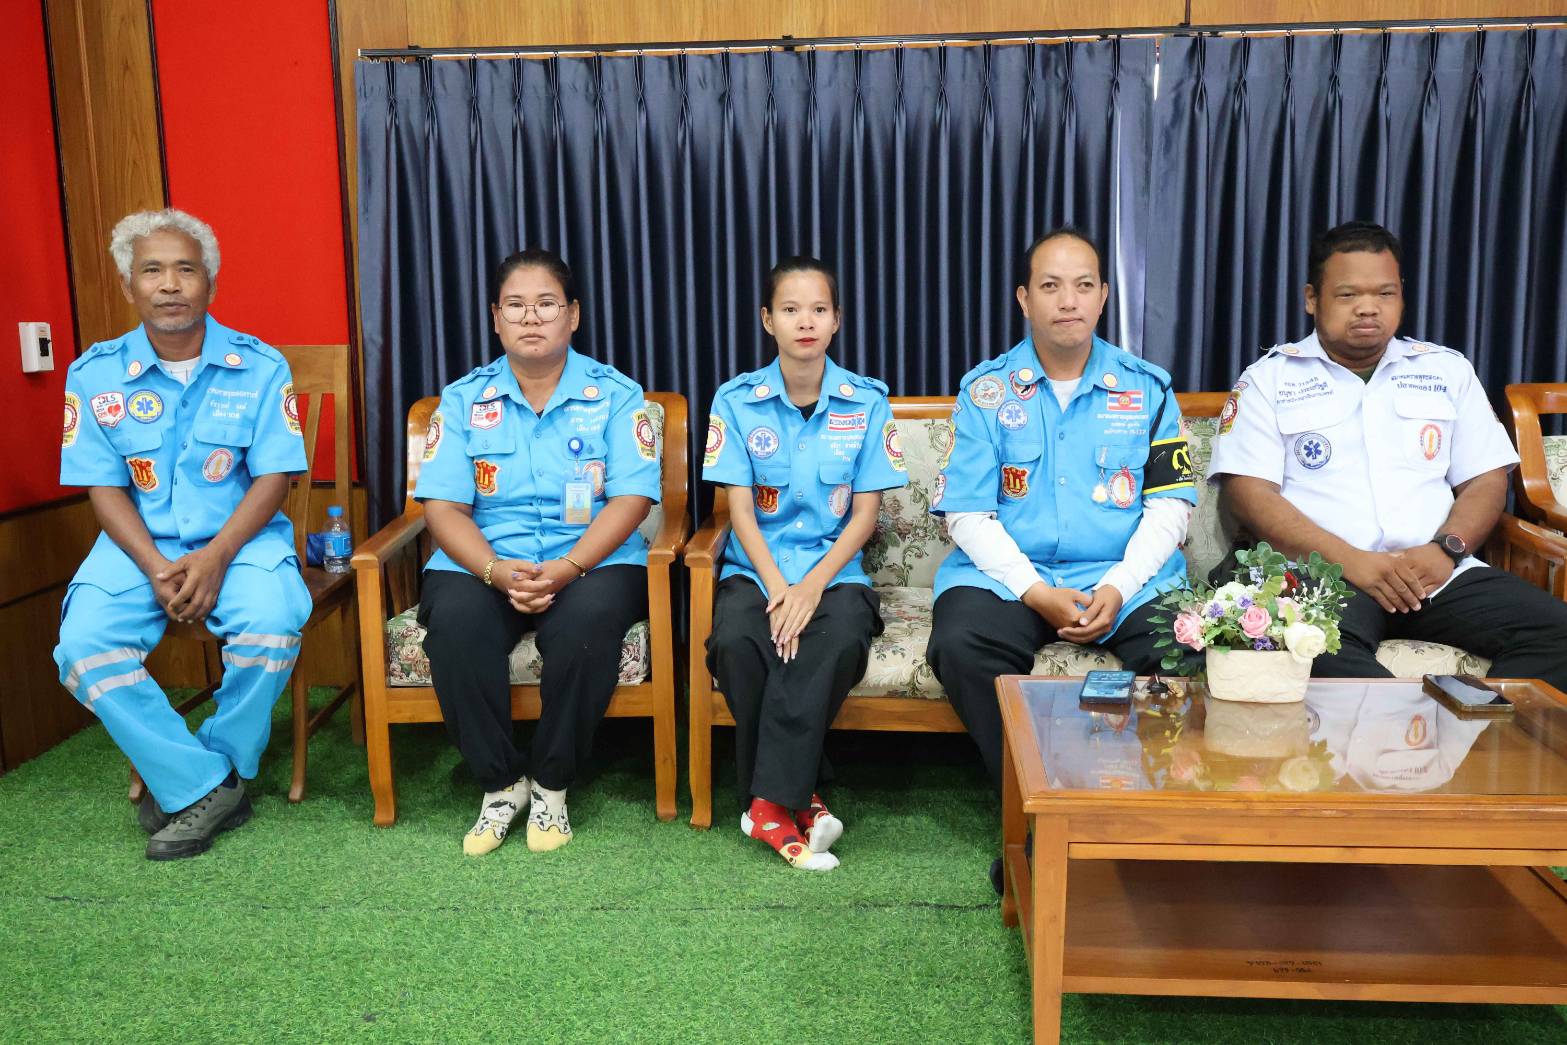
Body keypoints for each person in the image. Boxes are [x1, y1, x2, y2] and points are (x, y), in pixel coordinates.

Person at [1207, 220, 1567, 691]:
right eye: (1348, 295)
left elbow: (1485, 478)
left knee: (1559, 634)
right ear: (1312, 299)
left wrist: (1447, 549)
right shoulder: (1268, 379)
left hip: (1434, 572)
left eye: (1385, 293)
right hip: (1324, 576)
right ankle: (1412, 727)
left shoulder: (1446, 370)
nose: (1368, 308)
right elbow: (1249, 494)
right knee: (1303, 650)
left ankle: (1474, 731)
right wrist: (1350, 562)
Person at [53, 208, 312, 860]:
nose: (169, 284)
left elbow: (275, 476)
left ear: (210, 283)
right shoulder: (93, 373)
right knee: (81, 645)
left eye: (185, 269)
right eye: (152, 270)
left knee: (272, 623)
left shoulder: (260, 365)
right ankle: (204, 782)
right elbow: (103, 486)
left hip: (240, 540)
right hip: (136, 544)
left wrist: (218, 556)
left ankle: (212, 765)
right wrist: (151, 564)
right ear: (128, 284)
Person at [926, 227, 1198, 792]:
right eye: (1050, 286)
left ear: (1103, 296)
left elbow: (1171, 506)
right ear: (1025, 299)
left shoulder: (1148, 390)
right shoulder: (985, 392)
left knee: (1183, 648)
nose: (1068, 301)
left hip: (1125, 580)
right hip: (1008, 579)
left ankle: (1142, 798)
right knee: (960, 645)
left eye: (1083, 286)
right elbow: (967, 514)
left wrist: (1119, 586)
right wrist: (1034, 591)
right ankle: (1033, 802)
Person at [415, 248, 659, 856]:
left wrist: (569, 568)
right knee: (455, 625)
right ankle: (500, 784)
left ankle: (551, 783)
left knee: (586, 626)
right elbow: (442, 507)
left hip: (594, 559)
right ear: (495, 318)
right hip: (484, 560)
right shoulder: (462, 400)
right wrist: (495, 571)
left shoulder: (617, 395)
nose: (531, 317)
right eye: (516, 306)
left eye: (546, 304)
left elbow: (632, 499)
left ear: (572, 315)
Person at [703, 257, 906, 871]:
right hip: (755, 571)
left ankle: (766, 804)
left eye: (819, 309)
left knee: (836, 639)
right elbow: (739, 512)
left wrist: (811, 588)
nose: (806, 322)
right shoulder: (735, 401)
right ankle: (804, 798)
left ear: (837, 319)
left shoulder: (867, 402)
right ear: (768, 320)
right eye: (790, 310)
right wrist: (778, 589)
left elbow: (864, 517)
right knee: (737, 642)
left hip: (835, 575)